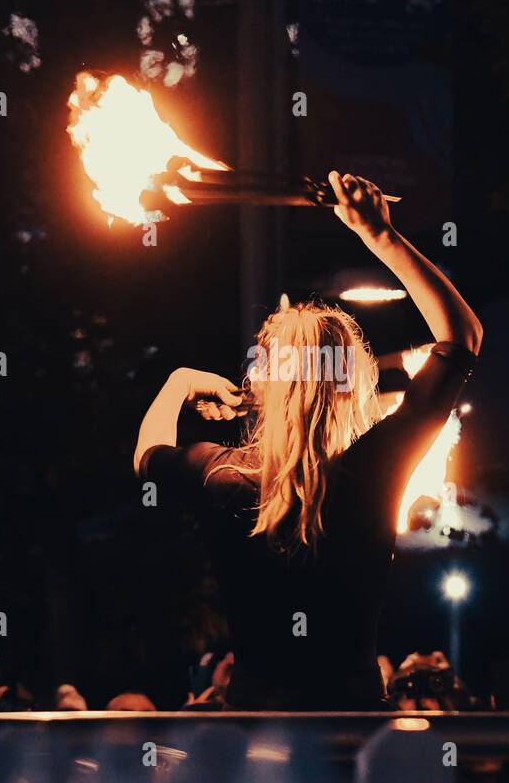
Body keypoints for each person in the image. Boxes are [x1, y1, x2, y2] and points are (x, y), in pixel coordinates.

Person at [134, 172, 482, 709]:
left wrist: (181, 379)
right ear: (350, 383)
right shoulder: (371, 468)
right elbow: (461, 340)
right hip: (351, 730)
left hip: (255, 732)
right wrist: (379, 235)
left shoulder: (219, 474)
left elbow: (146, 456)